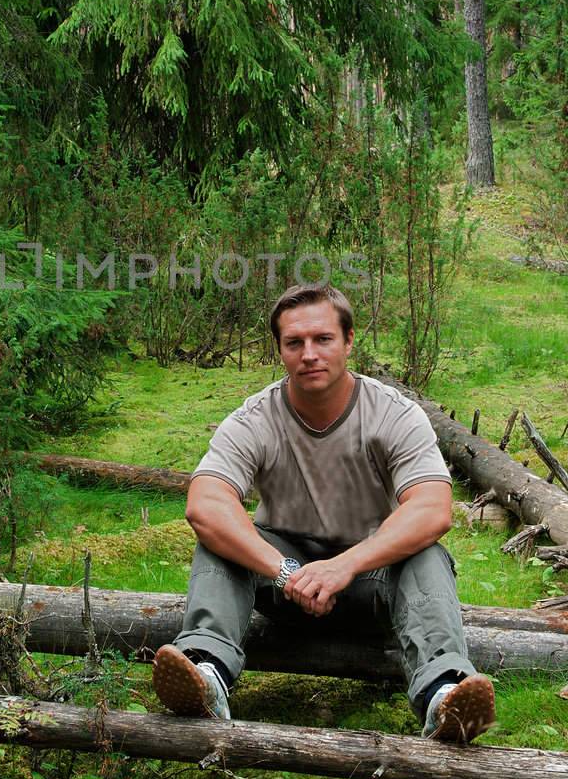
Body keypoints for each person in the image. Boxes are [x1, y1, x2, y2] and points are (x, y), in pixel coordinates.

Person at [152, 282, 495, 742]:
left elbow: (433, 509)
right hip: (282, 585)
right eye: (294, 342)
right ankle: (205, 673)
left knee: (427, 554)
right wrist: (286, 571)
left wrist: (344, 565)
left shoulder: (394, 415)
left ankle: (443, 694)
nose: (309, 353)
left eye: (323, 339)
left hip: (371, 584)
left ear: (349, 341)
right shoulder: (256, 418)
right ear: (279, 350)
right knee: (218, 542)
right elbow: (206, 503)